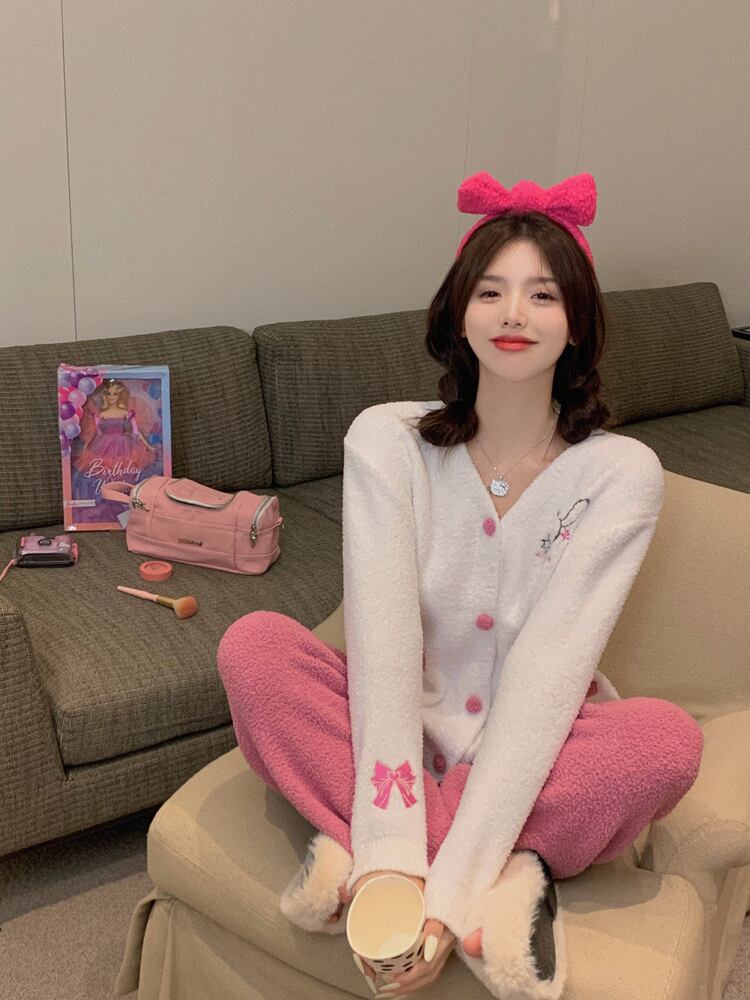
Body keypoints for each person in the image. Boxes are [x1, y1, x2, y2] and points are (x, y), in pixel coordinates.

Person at [217, 172, 704, 1000]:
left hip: (541, 748)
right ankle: (501, 874)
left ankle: (374, 854)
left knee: (666, 744)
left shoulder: (622, 475)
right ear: (459, 311)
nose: (514, 313)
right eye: (491, 291)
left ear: (578, 322)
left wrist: (438, 896)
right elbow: (382, 645)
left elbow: (551, 675)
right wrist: (399, 841)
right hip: (396, 734)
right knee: (252, 647)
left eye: (543, 294)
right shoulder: (387, 441)